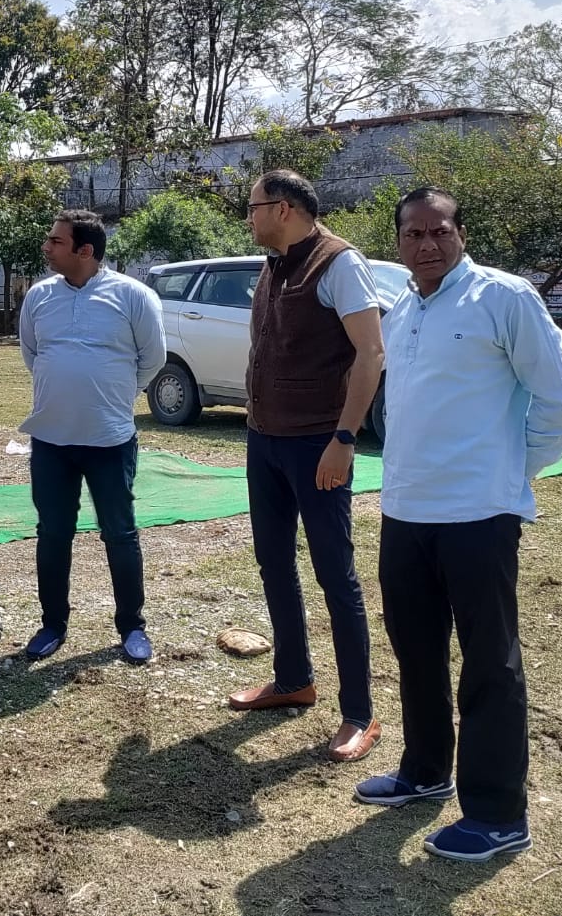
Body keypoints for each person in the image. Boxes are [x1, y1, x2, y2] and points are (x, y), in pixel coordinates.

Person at [354, 187, 562, 862]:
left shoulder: (504, 298)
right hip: (406, 510)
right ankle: (425, 770)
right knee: (416, 649)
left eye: (440, 231)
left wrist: (507, 471)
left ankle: (497, 813)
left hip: (479, 514)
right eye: (414, 233)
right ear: (399, 241)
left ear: (460, 233)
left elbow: (557, 404)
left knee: (489, 662)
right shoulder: (402, 309)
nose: (427, 244)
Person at [225, 170, 386, 764]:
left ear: (284, 208)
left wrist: (345, 438)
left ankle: (359, 714)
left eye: (254, 207)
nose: (248, 216)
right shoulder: (274, 264)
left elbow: (371, 352)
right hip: (264, 440)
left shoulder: (339, 263)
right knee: (273, 563)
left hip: (319, 444)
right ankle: (294, 680)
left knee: (335, 576)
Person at [18, 209, 165, 664]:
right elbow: (32, 353)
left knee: (119, 533)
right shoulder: (39, 296)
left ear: (85, 250)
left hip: (110, 440)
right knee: (52, 533)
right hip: (51, 441)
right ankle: (52, 624)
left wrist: (114, 395)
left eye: (56, 241)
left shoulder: (133, 296)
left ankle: (132, 626)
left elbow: (153, 359)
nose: (47, 247)